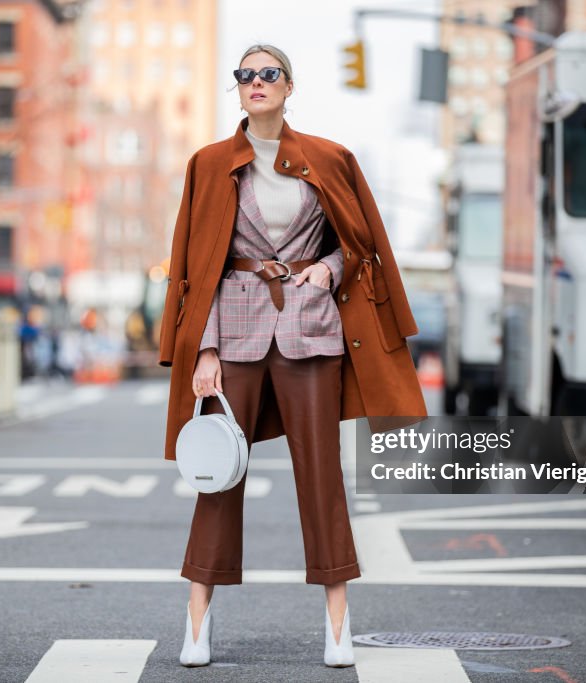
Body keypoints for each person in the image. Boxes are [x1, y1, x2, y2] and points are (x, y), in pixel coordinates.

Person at [158, 44, 428, 668]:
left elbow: (357, 244)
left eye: (268, 74)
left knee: (322, 480)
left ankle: (338, 623)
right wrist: (203, 349)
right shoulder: (210, 164)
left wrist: (327, 272)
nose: (255, 83)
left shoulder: (327, 158)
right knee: (218, 475)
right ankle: (197, 620)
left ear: (288, 85)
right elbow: (196, 267)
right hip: (234, 333)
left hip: (312, 333)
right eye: (245, 75)